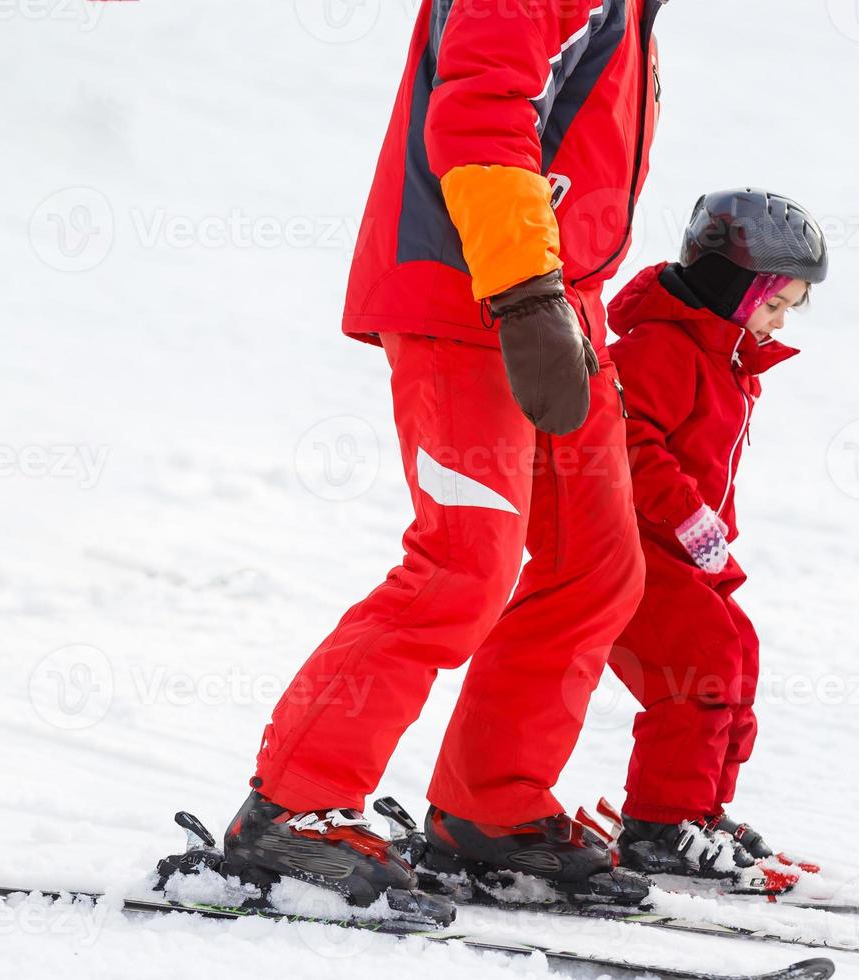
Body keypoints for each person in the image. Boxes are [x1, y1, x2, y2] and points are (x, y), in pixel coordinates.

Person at [219, 0, 666, 917]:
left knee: (598, 569)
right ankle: (292, 810)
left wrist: (556, 294)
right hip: (476, 293)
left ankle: (487, 812)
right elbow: (479, 108)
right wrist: (527, 291)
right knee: (463, 566)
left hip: (558, 299)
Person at [603, 188, 829, 881]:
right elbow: (627, 439)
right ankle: (660, 824)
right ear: (729, 286)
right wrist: (686, 514)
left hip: (691, 550)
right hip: (639, 544)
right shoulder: (664, 349)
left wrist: (710, 535)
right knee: (697, 666)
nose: (777, 322)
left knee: (738, 654)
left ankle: (698, 810)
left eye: (788, 309)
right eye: (771, 305)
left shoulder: (726, 360)